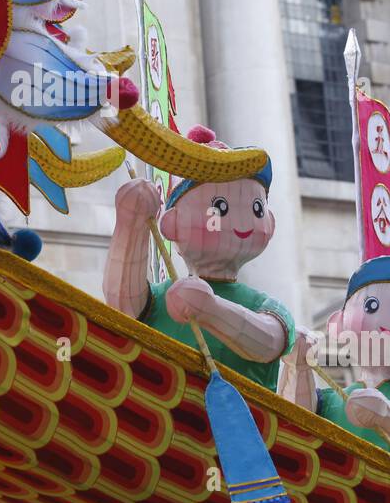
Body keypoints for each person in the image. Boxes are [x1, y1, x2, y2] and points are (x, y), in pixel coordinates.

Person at [102, 126, 294, 390]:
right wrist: (131, 222)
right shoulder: (156, 300)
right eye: (220, 208)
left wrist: (212, 310)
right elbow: (121, 306)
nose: (241, 219)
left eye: (256, 208)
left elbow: (268, 342)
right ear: (171, 225)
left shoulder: (265, 305)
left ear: (270, 224)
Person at [282, 245, 390, 477]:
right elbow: (293, 429)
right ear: (338, 325)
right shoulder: (327, 402)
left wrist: (387, 414)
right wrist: (298, 367)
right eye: (371, 306)